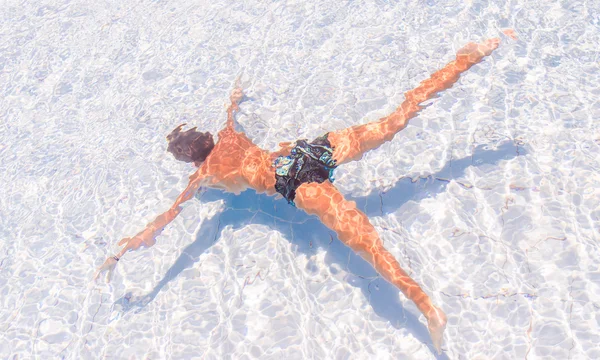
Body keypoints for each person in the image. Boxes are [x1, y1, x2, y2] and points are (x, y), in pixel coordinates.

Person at [95, 38, 502, 354]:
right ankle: (469, 57)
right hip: (309, 150)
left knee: (367, 245)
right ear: (205, 137)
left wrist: (123, 251)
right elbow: (231, 109)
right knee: (399, 116)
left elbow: (166, 219)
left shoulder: (203, 176)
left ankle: (428, 309)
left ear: (188, 160)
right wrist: (236, 94)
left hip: (298, 185)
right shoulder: (229, 134)